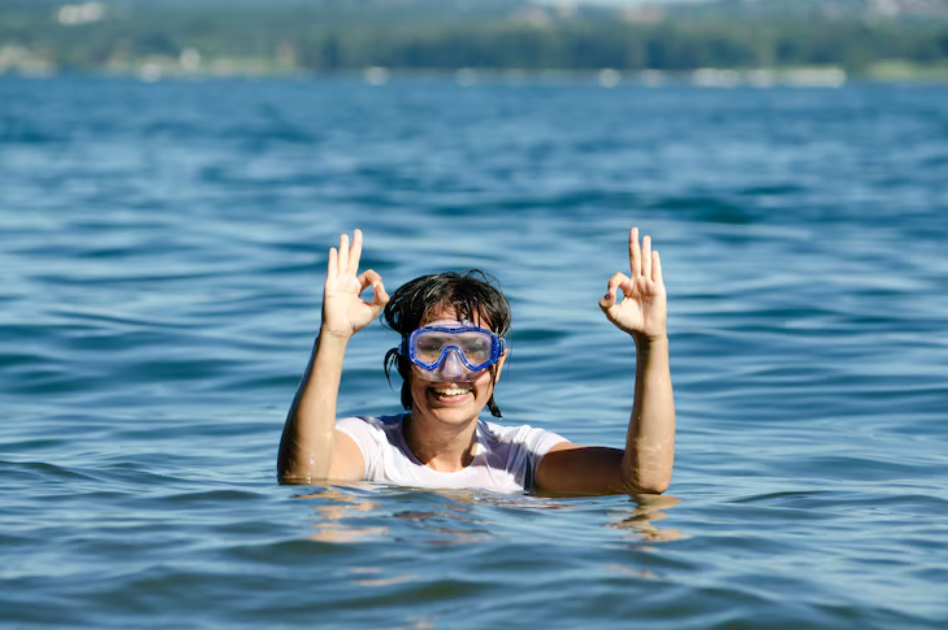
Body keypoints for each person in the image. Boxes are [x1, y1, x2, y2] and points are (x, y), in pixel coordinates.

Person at [278, 228, 674, 495]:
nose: (453, 370)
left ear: (497, 366)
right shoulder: (372, 445)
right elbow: (305, 476)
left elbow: (643, 481)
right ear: (403, 361)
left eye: (474, 349)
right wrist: (333, 337)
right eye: (431, 348)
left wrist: (651, 342)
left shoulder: (521, 457)